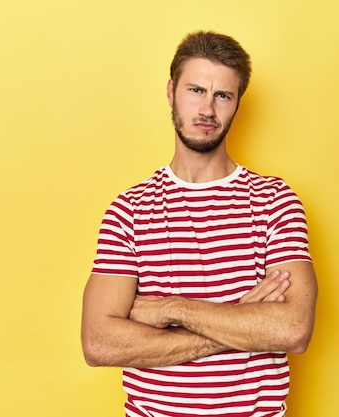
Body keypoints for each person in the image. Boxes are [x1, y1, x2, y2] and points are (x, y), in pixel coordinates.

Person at [81, 30, 318, 417]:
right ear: (172, 91)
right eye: (195, 90)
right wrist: (240, 320)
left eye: (222, 95)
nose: (207, 109)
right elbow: (99, 343)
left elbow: (292, 329)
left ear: (237, 104)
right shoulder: (130, 209)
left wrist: (172, 309)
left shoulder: (275, 201)